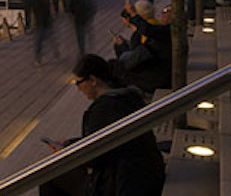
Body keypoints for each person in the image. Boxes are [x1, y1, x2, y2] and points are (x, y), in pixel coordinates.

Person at [39, 55, 165, 196]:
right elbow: (103, 141)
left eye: (78, 83)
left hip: (123, 183)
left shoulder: (105, 108)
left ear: (93, 80)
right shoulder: (127, 96)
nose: (78, 89)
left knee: (49, 173)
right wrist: (69, 144)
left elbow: (93, 158)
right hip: (144, 174)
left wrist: (66, 153)